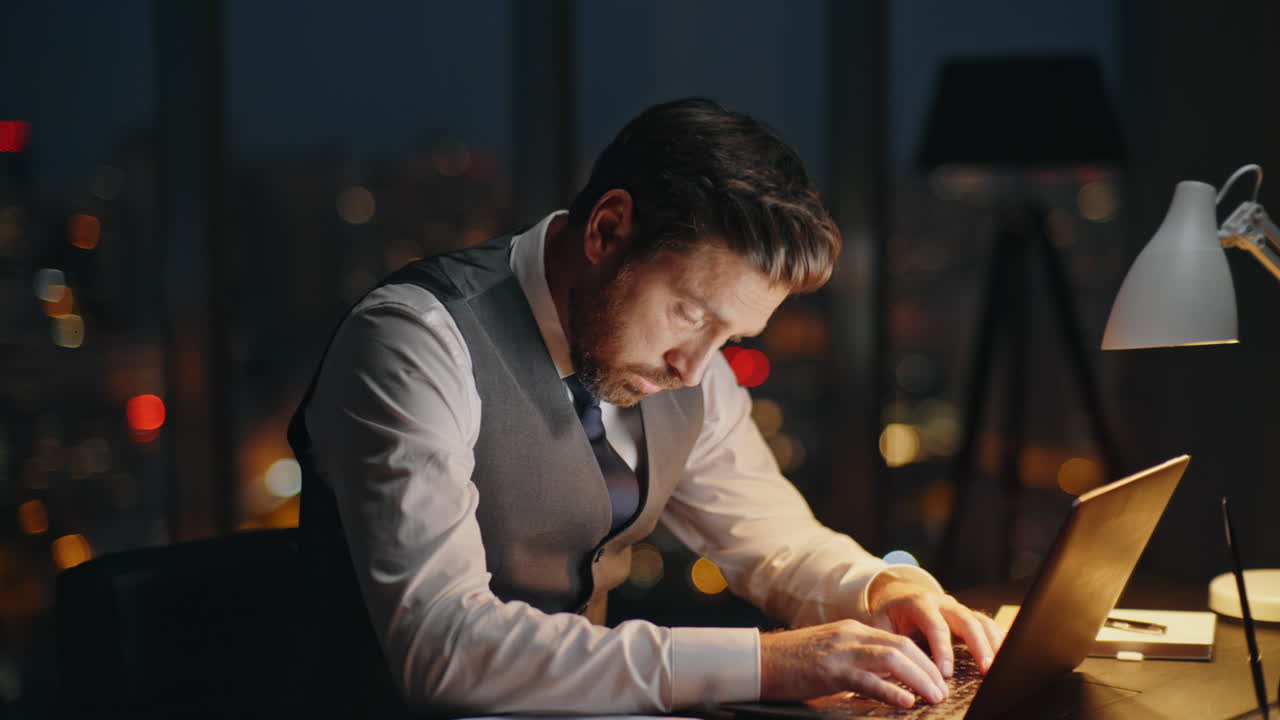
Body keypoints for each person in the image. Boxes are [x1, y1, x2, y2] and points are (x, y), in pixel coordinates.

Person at [288, 98, 1004, 717]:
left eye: (732, 335)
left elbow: (775, 541)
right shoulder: (413, 340)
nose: (697, 366)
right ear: (606, 230)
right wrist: (767, 662)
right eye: (690, 314)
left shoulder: (690, 366)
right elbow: (440, 649)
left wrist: (884, 584)